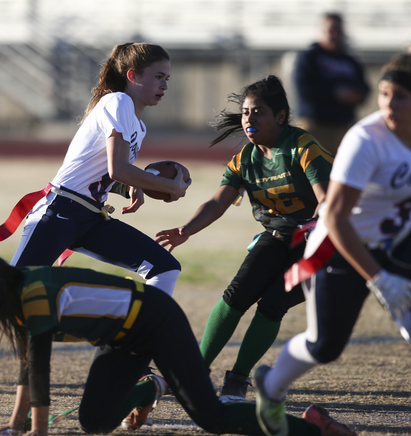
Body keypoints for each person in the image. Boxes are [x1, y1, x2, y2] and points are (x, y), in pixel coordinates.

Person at [0, 42, 191, 411]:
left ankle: (138, 351)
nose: (165, 85)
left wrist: (131, 186)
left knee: (164, 266)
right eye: (158, 77)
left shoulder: (137, 122)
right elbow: (115, 167)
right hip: (60, 213)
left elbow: (101, 171)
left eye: (168, 78)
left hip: (90, 217)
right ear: (132, 76)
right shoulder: (117, 103)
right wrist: (167, 186)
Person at [0, 250, 352, 436]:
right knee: (94, 423)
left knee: (212, 419)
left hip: (157, 321)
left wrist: (36, 434)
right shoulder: (19, 299)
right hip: (122, 340)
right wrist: (16, 427)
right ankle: (149, 386)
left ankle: (312, 428)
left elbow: (40, 369)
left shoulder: (32, 293)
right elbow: (27, 365)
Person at [254, 51, 411, 436]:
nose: (390, 103)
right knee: (325, 345)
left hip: (395, 243)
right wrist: (380, 280)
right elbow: (337, 218)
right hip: (340, 245)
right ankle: (271, 388)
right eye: (385, 92)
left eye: (402, 95)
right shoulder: (367, 140)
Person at [156, 76, 333, 403]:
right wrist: (186, 231)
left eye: (258, 112)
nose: (249, 118)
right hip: (278, 236)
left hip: (322, 242)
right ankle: (195, 370)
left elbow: (328, 199)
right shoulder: (244, 159)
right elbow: (217, 202)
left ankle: (237, 380)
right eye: (245, 112)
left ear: (280, 117)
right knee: (237, 295)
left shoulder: (301, 146)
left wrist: (317, 226)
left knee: (273, 304)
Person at [293, 12, 370, 155]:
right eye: (330, 30)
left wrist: (356, 95)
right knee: (312, 170)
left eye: (338, 31)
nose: (334, 35)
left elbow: (365, 89)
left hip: (343, 126)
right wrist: (335, 93)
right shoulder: (309, 57)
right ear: (321, 31)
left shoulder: (350, 61)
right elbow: (304, 89)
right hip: (315, 125)